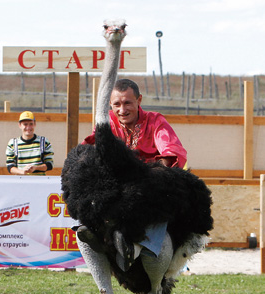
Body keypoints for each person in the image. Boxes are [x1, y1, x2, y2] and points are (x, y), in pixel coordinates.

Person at [78, 78, 188, 270]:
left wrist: (154, 169)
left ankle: (144, 245)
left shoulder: (155, 121)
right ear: (110, 105)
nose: (122, 110)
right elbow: (91, 147)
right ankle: (99, 235)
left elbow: (170, 150)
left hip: (149, 184)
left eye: (127, 102)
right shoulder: (107, 123)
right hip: (117, 186)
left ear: (139, 100)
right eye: (117, 104)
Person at [6, 111, 54, 175]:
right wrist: (22, 172)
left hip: (39, 182)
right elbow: (10, 167)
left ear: (35, 124)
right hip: (20, 182)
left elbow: (50, 165)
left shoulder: (44, 142)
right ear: (20, 125)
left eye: (31, 124)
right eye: (25, 124)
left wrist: (36, 168)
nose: (28, 127)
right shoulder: (13, 144)